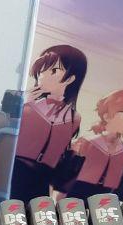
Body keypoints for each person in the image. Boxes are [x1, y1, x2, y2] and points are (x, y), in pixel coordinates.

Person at [11, 45, 87, 203]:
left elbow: (60, 157)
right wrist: (24, 106)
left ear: (70, 79)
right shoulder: (26, 106)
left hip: (43, 180)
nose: (43, 76)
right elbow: (7, 135)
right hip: (16, 172)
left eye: (53, 71)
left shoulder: (74, 117)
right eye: (42, 69)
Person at [60, 89, 123, 202]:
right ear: (107, 116)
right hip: (80, 191)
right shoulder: (88, 141)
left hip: (107, 197)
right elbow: (65, 173)